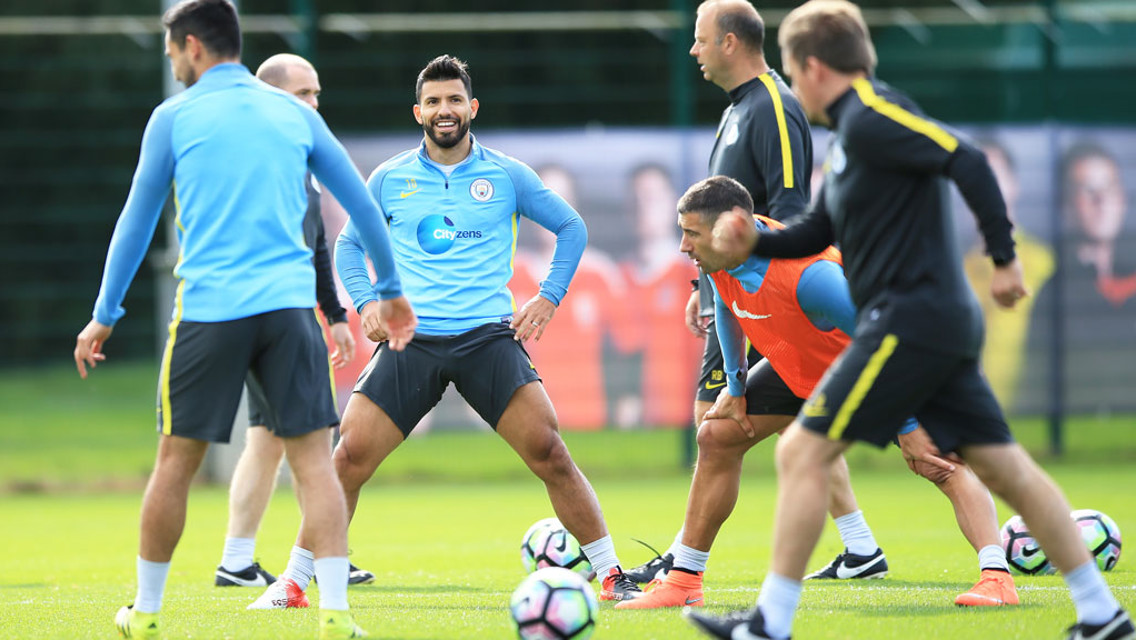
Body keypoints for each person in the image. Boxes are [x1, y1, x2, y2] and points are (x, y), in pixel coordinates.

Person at [686, 3, 1133, 639]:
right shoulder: (854, 136)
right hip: (931, 322)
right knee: (1005, 468)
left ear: (814, 67)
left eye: (790, 69)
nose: (789, 84)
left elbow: (967, 159)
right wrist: (753, 244)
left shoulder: (873, 115)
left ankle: (770, 624)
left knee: (805, 452)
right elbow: (819, 230)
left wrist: (1004, 259)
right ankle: (1101, 612)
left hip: (909, 321)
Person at [248, 54, 644, 610]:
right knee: (347, 459)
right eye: (433, 101)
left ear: (472, 107)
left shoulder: (506, 174)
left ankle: (611, 575)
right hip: (413, 341)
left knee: (550, 452)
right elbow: (348, 245)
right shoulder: (389, 178)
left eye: (454, 99)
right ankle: (292, 583)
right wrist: (365, 303)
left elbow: (571, 227)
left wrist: (549, 296)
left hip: (486, 338)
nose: (444, 110)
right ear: (418, 112)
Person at [72, 2, 415, 638]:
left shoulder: (173, 116)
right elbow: (360, 200)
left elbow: (136, 220)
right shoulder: (293, 114)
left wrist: (104, 315)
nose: (172, 62)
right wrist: (390, 289)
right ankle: (336, 615)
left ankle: (145, 614)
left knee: (175, 462)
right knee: (315, 463)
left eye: (172, 50)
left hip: (209, 313)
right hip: (289, 315)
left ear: (194, 46)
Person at [619, 176, 1018, 611]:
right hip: (802, 368)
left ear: (730, 227)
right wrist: (735, 388)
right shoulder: (717, 257)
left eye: (691, 233)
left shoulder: (813, 278)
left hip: (883, 363)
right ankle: (683, 581)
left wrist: (906, 422)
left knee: (938, 461)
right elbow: (730, 310)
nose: (683, 246)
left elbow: (882, 338)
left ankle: (997, 579)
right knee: (716, 436)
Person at [626, 0, 886, 585]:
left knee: (722, 422)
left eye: (699, 39)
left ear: (729, 43)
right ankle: (859, 545)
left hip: (769, 291)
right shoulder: (738, 108)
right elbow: (716, 218)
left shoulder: (773, 103)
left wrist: (762, 294)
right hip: (731, 287)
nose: (692, 50)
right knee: (755, 424)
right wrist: (706, 284)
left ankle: (683, 564)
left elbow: (792, 207)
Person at [213, 53, 376, 590]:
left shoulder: (293, 155)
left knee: (267, 439)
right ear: (271, 97)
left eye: (316, 93)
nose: (313, 104)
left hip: (272, 314)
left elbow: (316, 243)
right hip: (275, 318)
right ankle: (325, 555)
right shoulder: (268, 159)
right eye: (303, 94)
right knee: (316, 436)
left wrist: (332, 315)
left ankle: (237, 561)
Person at [509, 164, 629, 429]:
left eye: (558, 197)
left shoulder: (601, 273)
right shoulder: (509, 271)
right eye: (542, 197)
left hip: (590, 418)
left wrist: (627, 406)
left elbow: (626, 350)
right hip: (523, 418)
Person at [961, 138, 1054, 409]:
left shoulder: (1045, 263)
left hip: (1031, 410)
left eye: (993, 178)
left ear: (1015, 185)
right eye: (972, 181)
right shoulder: (956, 270)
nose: (983, 191)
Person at [618, 163, 702, 427]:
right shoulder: (614, 278)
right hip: (631, 423)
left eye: (652, 198)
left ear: (673, 204)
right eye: (636, 199)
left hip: (692, 413)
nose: (643, 207)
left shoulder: (697, 276)